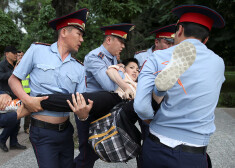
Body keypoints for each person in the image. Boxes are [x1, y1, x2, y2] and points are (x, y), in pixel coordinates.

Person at [134, 4, 225, 168]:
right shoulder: (218, 63)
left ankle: (159, 91)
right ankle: (160, 89)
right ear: (206, 40)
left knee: (156, 96)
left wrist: (150, 118)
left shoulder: (156, 57)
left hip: (157, 144)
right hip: (193, 151)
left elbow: (141, 106)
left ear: (180, 29)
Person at [8, 8, 89, 168]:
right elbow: (13, 79)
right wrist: (27, 100)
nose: (82, 40)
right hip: (42, 132)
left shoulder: (79, 68)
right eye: (79, 35)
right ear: (64, 32)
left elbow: (81, 101)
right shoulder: (37, 50)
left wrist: (83, 115)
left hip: (66, 131)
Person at [73, 23, 135, 168]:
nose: (123, 46)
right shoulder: (95, 57)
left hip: (101, 108)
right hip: (87, 110)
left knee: (95, 151)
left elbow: (116, 81)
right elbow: (109, 85)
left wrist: (117, 70)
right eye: (121, 41)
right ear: (109, 40)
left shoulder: (112, 58)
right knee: (87, 153)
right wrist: (120, 71)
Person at [0, 46, 27, 152]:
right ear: (7, 54)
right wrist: (13, 72)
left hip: (15, 96)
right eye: (13, 53)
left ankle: (14, 142)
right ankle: (2, 140)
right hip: (5, 98)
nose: (16, 54)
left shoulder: (14, 65)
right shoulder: (2, 65)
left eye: (17, 53)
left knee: (17, 121)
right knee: (12, 119)